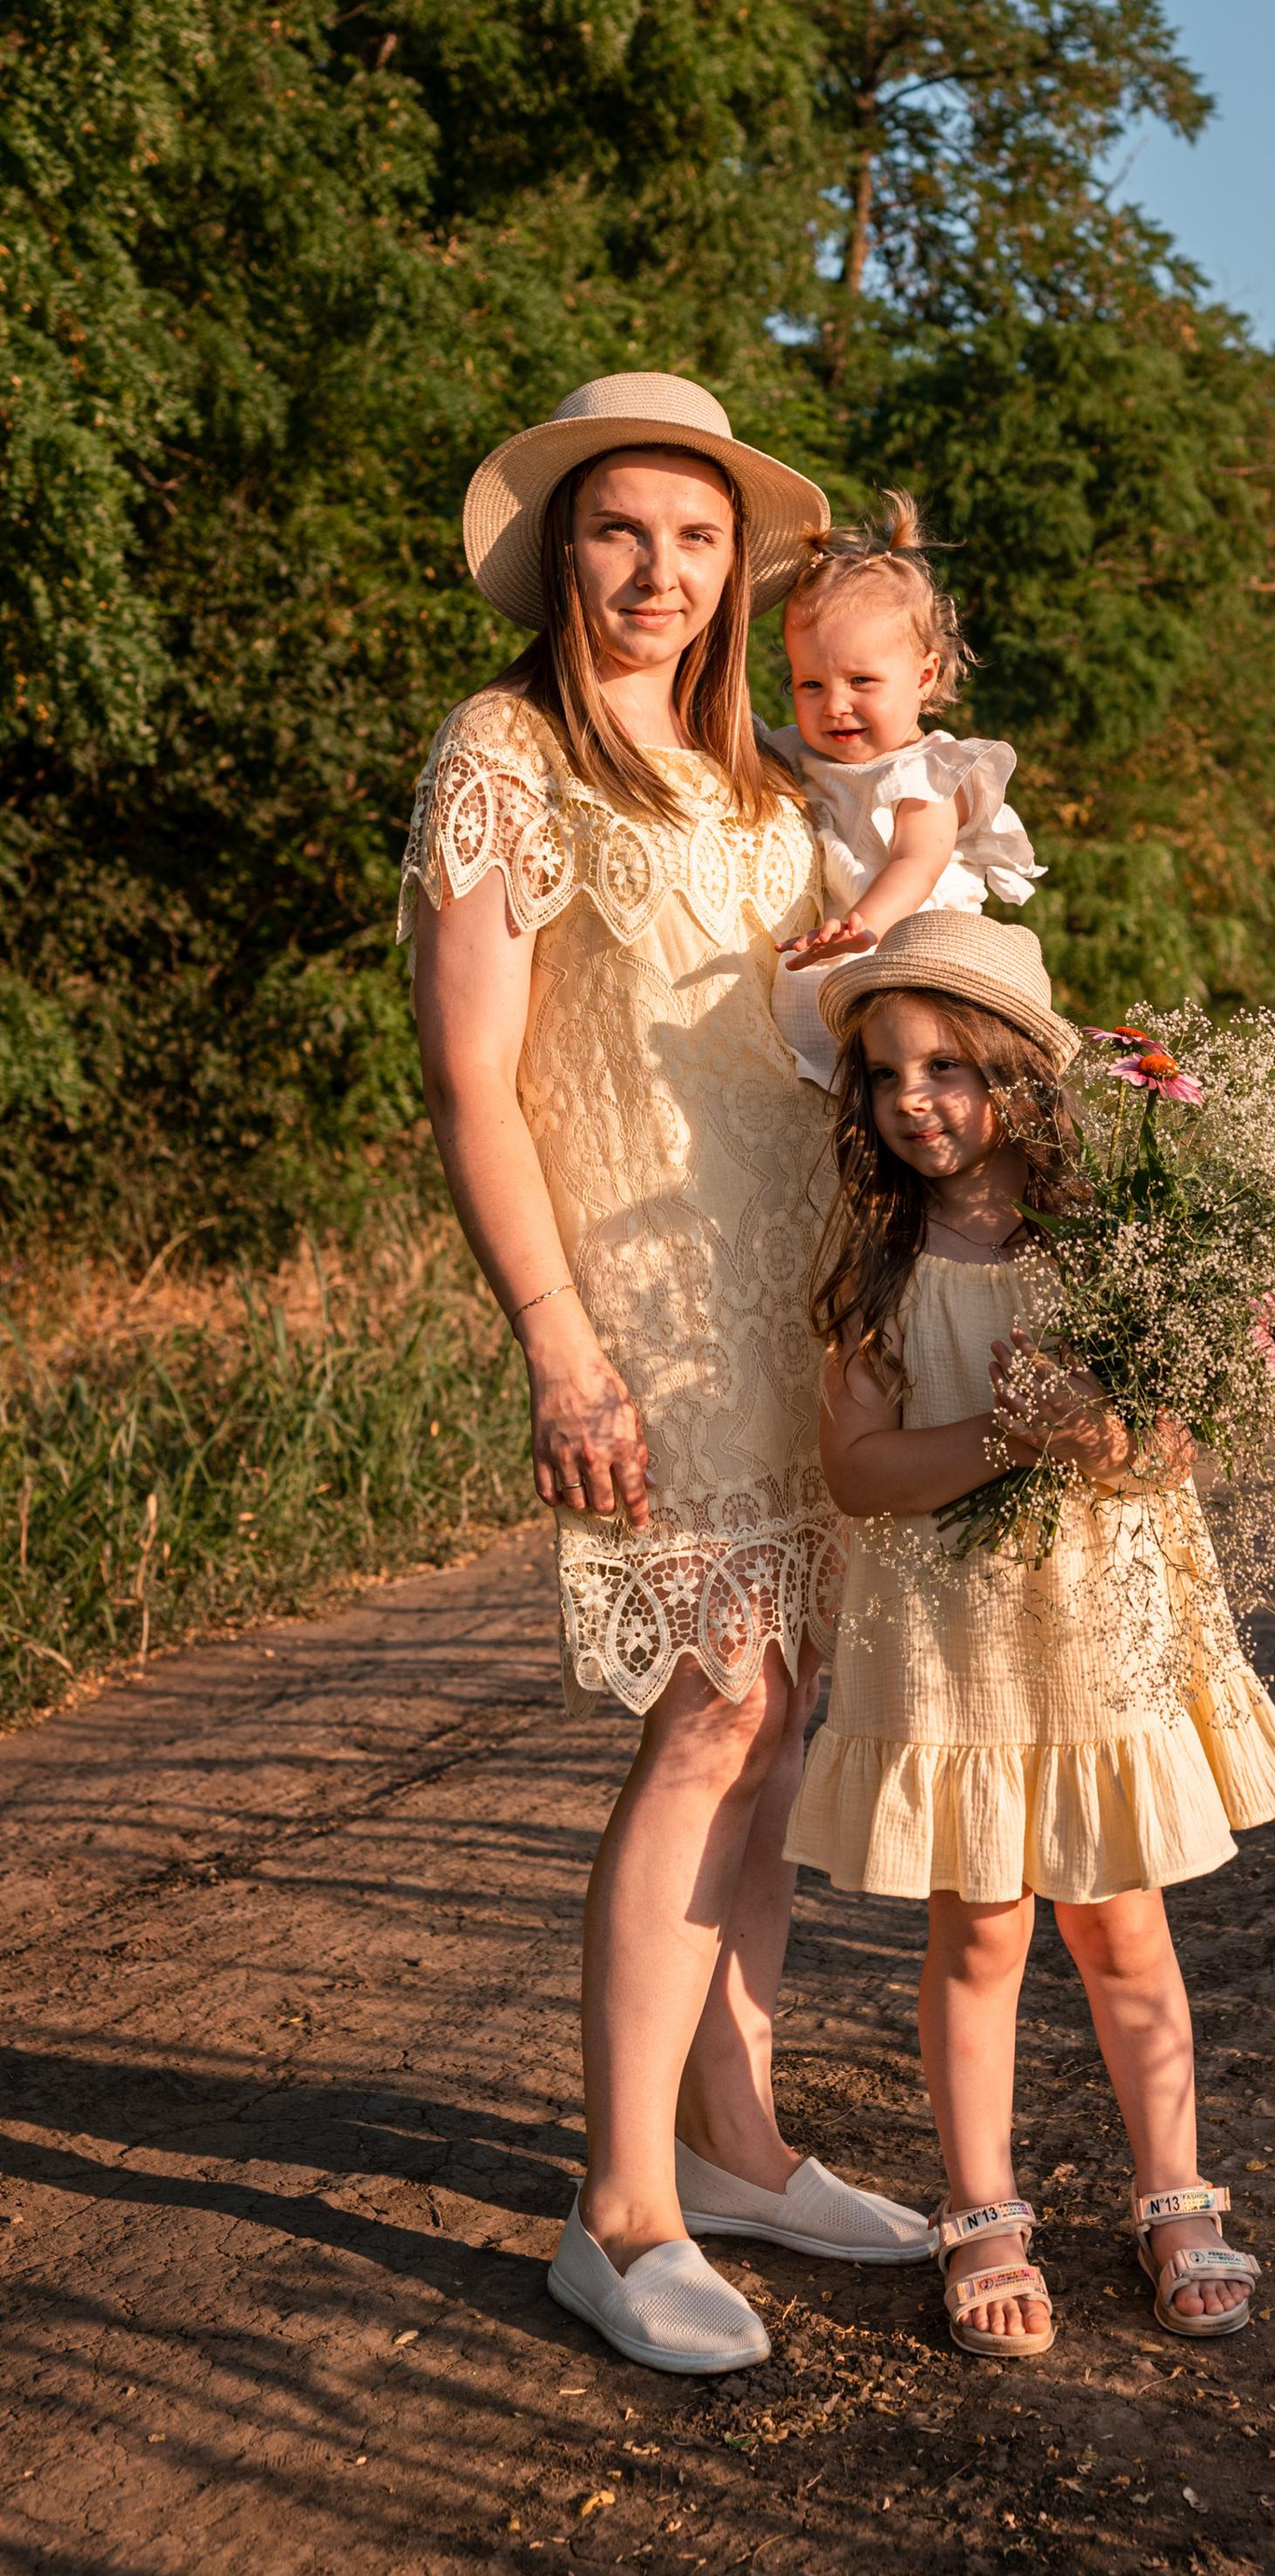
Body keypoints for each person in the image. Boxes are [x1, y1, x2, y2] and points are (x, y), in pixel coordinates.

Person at [402, 371, 931, 2377]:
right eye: (621, 528)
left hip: (797, 1305)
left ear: (735, 567)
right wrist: (558, 1341)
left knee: (778, 1728)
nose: (659, 568)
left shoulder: (761, 779)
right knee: (710, 1714)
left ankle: (737, 2146)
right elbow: (472, 1079)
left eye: (697, 536)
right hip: (641, 1312)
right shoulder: (508, 751)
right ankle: (618, 2209)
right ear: (563, 549)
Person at [790, 910, 1275, 2360]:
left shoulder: (1119, 1245)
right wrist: (1006, 1435)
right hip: (954, 1645)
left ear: (1020, 1072)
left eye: (947, 1065)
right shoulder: (878, 1263)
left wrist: (1103, 1431)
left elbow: (1174, 1447)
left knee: (1123, 1925)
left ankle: (1174, 2197)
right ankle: (984, 2211)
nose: (913, 1099)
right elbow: (859, 1471)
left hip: (1096, 1626)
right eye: (886, 1073)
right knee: (980, 1931)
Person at [764, 495, 1043, 1089]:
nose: (834, 705)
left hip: (913, 951)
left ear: (924, 675)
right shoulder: (799, 753)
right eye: (809, 684)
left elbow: (916, 861)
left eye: (861, 680)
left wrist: (863, 923)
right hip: (840, 954)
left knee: (920, 1078)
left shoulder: (926, 772)